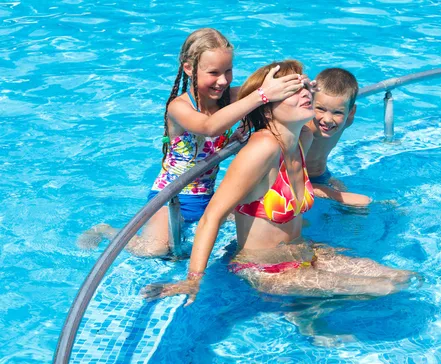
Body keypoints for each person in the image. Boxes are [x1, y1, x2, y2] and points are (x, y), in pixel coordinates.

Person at [143, 60, 419, 306]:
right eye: (292, 92)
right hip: (266, 270)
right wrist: (193, 280)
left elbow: (332, 112)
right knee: (385, 287)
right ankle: (302, 312)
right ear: (267, 107)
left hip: (304, 253)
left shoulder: (302, 140)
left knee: (406, 278)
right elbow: (211, 217)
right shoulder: (262, 148)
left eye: (305, 89)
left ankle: (304, 313)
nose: (305, 95)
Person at [77, 28, 305, 256]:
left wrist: (299, 85)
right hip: (170, 197)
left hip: (206, 195)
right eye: (213, 73)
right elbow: (209, 127)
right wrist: (260, 96)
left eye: (228, 71)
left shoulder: (229, 98)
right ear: (189, 68)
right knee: (154, 250)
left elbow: (274, 97)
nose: (223, 80)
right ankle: (107, 230)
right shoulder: (179, 107)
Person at [301, 68, 372, 207]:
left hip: (322, 175)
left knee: (351, 204)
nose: (327, 119)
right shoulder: (303, 130)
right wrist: (332, 194)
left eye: (338, 112)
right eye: (320, 109)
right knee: (360, 203)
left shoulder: (346, 122)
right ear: (309, 104)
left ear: (351, 112)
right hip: (298, 182)